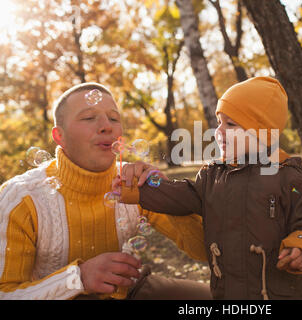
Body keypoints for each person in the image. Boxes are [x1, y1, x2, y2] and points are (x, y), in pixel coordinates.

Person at [117, 77, 302, 300]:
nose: (219, 130)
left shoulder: (287, 177)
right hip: (226, 290)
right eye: (219, 122)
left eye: (231, 124)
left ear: (261, 131)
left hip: (274, 293)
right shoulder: (212, 174)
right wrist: (140, 190)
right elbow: (182, 195)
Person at [0, 82, 211, 300]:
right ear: (59, 136)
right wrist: (78, 278)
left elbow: (205, 251)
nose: (106, 126)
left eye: (114, 118)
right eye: (88, 118)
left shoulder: (133, 184)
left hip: (128, 291)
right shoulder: (21, 198)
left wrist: (167, 196)